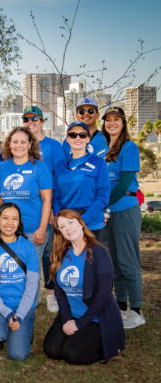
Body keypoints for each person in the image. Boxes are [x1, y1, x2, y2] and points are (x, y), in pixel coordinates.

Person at [43, 209, 125, 364]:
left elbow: (103, 293)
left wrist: (80, 324)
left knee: (73, 355)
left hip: (96, 318)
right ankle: (78, 335)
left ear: (81, 224)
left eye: (71, 222)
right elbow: (60, 294)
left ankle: (109, 343)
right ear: (60, 231)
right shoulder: (61, 255)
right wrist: (67, 320)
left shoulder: (100, 252)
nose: (68, 228)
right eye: (62, 226)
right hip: (72, 315)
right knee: (52, 350)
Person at [0, 126, 52, 304]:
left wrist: (42, 229)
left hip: (32, 230)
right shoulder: (2, 167)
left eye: (23, 141)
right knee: (12, 270)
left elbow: (47, 200)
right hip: (9, 231)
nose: (18, 145)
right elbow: (0, 198)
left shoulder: (40, 167)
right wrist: (3, 225)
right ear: (9, 144)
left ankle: (29, 310)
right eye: (15, 141)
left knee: (31, 273)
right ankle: (11, 304)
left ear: (30, 144)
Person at [0, 203, 40, 361]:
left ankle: (23, 328)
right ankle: (5, 328)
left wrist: (18, 315)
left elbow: (32, 285)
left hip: (22, 305)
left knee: (17, 355)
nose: (9, 223)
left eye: (14, 219)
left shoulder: (28, 247)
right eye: (5, 218)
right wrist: (7, 313)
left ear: (19, 222)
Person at [101, 107, 144, 329]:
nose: (112, 123)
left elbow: (125, 183)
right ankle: (121, 307)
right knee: (116, 263)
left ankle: (136, 310)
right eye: (108, 120)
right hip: (109, 212)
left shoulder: (129, 147)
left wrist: (102, 203)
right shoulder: (103, 148)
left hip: (125, 208)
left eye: (116, 119)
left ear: (123, 123)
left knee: (129, 262)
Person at [22, 106, 65, 312]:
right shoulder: (22, 145)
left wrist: (55, 211)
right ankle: (28, 292)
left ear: (42, 121)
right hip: (29, 206)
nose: (31, 122)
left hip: (49, 206)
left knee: (50, 253)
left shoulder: (53, 146)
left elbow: (59, 178)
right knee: (30, 253)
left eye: (35, 118)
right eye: (27, 119)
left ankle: (51, 293)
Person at [53, 121, 110, 238]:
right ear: (67, 139)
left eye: (82, 135)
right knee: (67, 257)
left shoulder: (99, 163)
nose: (77, 138)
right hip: (67, 224)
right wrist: (60, 218)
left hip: (91, 225)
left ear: (88, 139)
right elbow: (56, 195)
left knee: (89, 257)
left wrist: (82, 221)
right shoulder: (60, 165)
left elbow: (103, 196)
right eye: (73, 135)